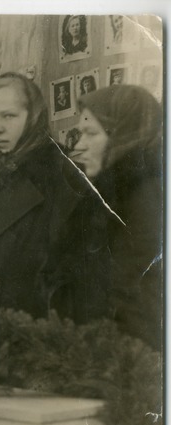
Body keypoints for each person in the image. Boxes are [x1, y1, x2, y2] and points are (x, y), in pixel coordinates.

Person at [0, 72, 103, 323]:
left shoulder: (66, 178)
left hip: (32, 335)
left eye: (9, 116)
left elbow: (82, 278)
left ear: (34, 118)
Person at [73, 85, 163, 349]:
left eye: (91, 134)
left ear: (124, 135)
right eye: (80, 134)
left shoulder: (146, 197)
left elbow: (135, 301)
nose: (80, 146)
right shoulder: (114, 191)